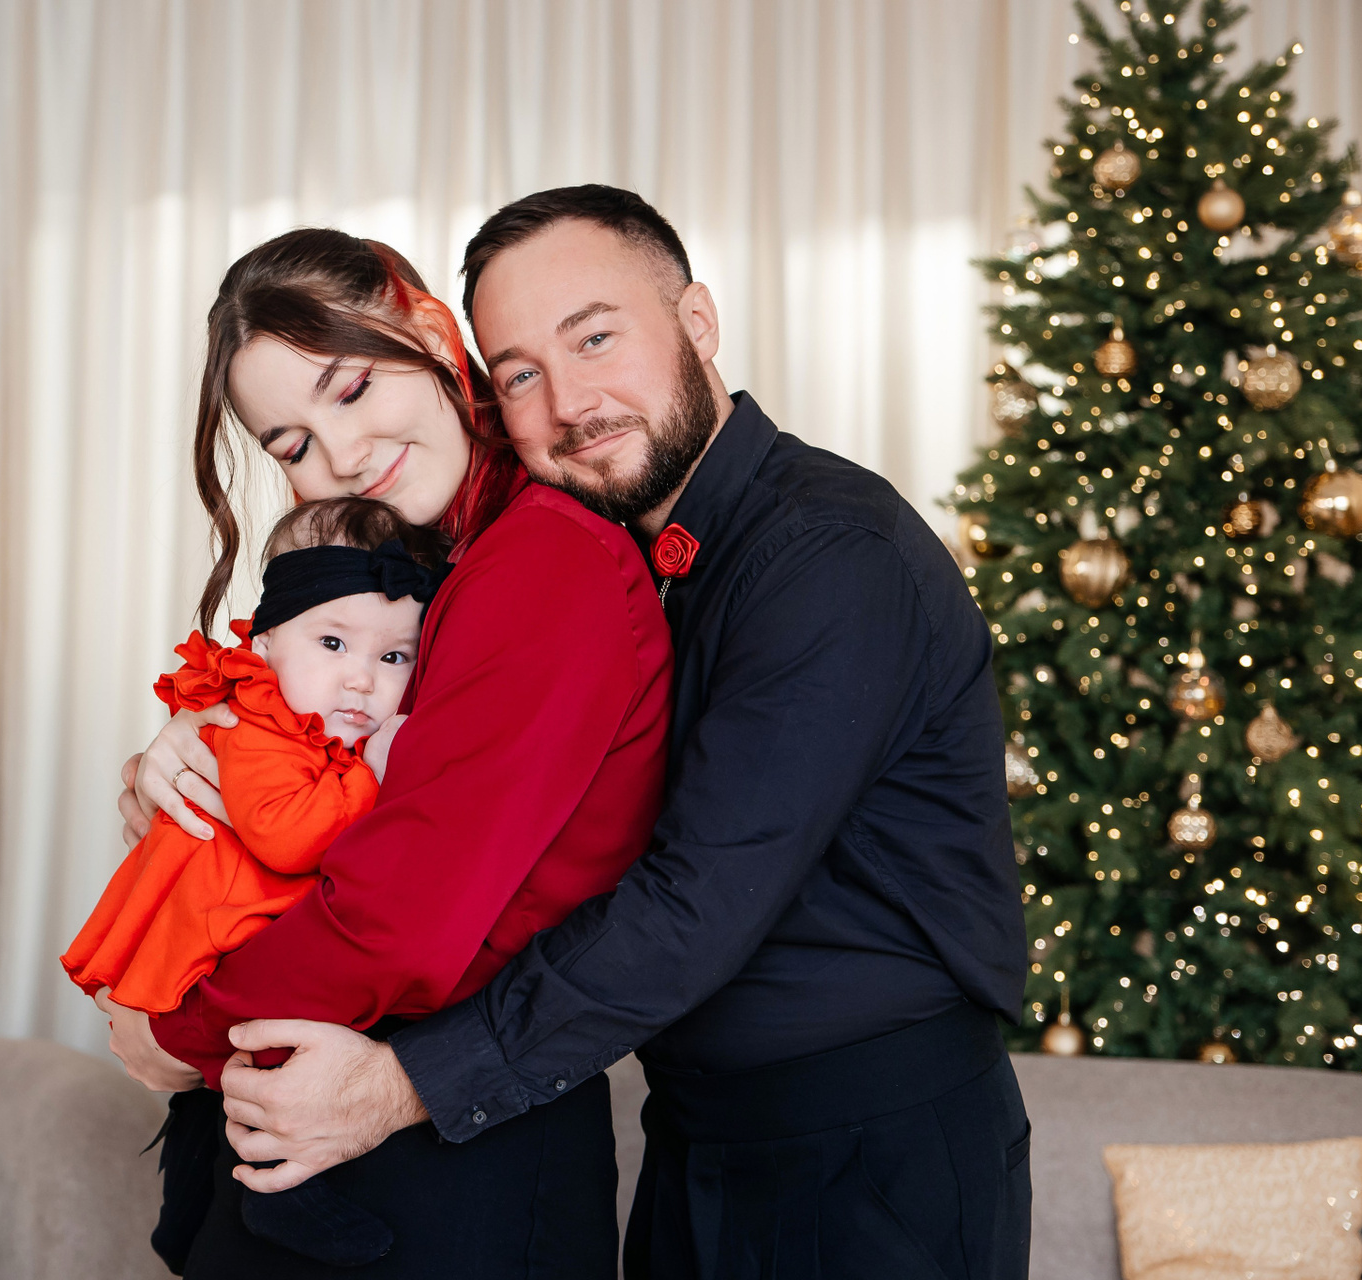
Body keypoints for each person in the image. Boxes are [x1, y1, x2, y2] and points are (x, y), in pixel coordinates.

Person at [125, 187, 1033, 1280]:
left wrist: (265, 1049)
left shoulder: (829, 553)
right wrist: (207, 747)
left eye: (596, 338)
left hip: (863, 1146)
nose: (568, 402)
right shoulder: (561, 538)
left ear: (698, 321)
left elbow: (689, 905)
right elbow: (374, 760)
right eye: (519, 373)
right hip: (695, 1127)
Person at [103, 226, 675, 1278]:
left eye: (353, 389)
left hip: (446, 1168)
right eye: (292, 444)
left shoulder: (543, 561)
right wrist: (194, 742)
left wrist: (177, 1028)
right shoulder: (422, 566)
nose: (343, 455)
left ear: (428, 327)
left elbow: (397, 921)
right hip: (329, 1129)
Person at [62, 498, 450, 1270]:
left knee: (228, 1094)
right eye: (333, 643)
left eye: (394, 658)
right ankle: (286, 1200)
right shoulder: (255, 726)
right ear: (266, 642)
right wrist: (373, 777)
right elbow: (288, 835)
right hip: (212, 936)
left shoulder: (309, 725)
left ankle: (193, 1213)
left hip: (238, 930)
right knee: (269, 1067)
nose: (361, 680)